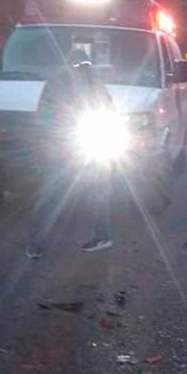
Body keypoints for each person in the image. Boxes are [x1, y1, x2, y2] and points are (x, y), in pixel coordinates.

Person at [26, 49, 115, 259]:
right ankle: (38, 243)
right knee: (90, 193)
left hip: (76, 146)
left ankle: (37, 244)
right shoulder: (88, 83)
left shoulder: (66, 82)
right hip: (75, 146)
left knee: (56, 196)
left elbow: (43, 115)